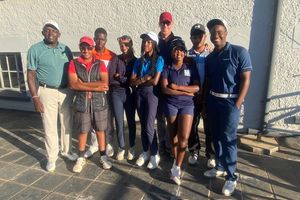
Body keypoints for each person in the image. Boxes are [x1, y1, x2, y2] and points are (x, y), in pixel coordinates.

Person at [203, 18, 252, 196]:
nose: (216, 35)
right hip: (213, 101)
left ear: (226, 32)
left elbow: (246, 79)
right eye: (213, 33)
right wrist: (205, 104)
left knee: (228, 139)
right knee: (215, 136)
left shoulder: (239, 52)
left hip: (231, 102)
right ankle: (220, 166)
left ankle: (231, 176)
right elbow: (207, 82)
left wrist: (238, 103)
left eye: (219, 31)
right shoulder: (210, 57)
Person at [27, 20, 77, 172]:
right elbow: (30, 75)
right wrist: (35, 97)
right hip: (46, 91)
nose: (50, 33)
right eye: (47, 30)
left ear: (59, 34)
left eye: (54, 30)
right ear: (43, 32)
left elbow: (72, 71)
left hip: (65, 91)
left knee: (66, 123)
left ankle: (66, 151)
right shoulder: (35, 49)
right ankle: (52, 157)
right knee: (49, 125)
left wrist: (74, 91)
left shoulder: (65, 49)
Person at [69, 36, 112, 172]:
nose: (86, 50)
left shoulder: (100, 64)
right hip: (82, 102)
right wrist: (95, 86)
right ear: (80, 47)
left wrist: (83, 85)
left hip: (99, 102)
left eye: (88, 47)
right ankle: (80, 157)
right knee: (82, 130)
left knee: (100, 130)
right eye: (83, 47)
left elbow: (104, 83)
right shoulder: (73, 63)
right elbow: (73, 84)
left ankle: (103, 156)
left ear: (93, 48)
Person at [161, 38, 199, 185]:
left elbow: (197, 88)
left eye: (181, 50)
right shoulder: (167, 68)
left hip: (187, 105)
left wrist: (177, 88)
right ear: (172, 52)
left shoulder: (190, 67)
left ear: (184, 53)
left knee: (184, 137)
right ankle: (174, 163)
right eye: (176, 50)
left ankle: (177, 167)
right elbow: (165, 89)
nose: (179, 53)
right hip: (171, 105)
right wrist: (187, 92)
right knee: (173, 136)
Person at [130, 32, 163, 169]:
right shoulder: (139, 61)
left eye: (149, 42)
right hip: (139, 94)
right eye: (144, 41)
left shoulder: (159, 59)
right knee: (143, 125)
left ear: (154, 44)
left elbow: (155, 81)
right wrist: (145, 79)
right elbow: (132, 81)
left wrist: (140, 80)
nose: (146, 44)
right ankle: (146, 151)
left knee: (149, 125)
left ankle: (155, 154)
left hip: (151, 95)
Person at [186, 23, 215, 168]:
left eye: (200, 35)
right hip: (192, 96)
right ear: (191, 38)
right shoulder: (187, 55)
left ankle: (211, 155)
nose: (197, 38)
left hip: (208, 96)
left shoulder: (211, 54)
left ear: (205, 37)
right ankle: (194, 150)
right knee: (192, 125)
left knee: (209, 126)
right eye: (194, 36)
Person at [84, 28, 116, 158]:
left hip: (107, 92)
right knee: (93, 117)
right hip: (93, 91)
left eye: (102, 39)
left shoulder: (112, 56)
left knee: (108, 118)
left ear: (106, 40)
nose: (99, 41)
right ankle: (94, 143)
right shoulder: (90, 54)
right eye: (97, 38)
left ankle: (109, 143)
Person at [108, 35, 137, 161]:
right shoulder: (116, 59)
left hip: (130, 94)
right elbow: (110, 79)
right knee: (119, 122)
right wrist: (125, 80)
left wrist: (120, 77)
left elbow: (133, 81)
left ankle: (132, 146)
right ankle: (121, 147)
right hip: (117, 94)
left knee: (131, 122)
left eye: (126, 45)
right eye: (121, 45)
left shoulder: (136, 61)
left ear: (130, 45)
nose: (123, 47)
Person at [157, 11, 177, 155]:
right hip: (157, 83)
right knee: (159, 116)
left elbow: (183, 57)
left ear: (172, 24)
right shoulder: (154, 41)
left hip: (172, 83)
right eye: (163, 22)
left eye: (167, 23)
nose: (165, 25)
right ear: (159, 23)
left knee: (171, 116)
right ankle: (162, 143)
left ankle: (171, 145)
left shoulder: (176, 41)